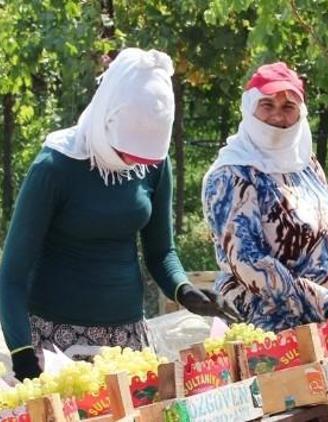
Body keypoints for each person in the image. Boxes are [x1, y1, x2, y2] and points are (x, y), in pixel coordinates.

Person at [0, 48, 238, 381]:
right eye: (125, 152)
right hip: (55, 344)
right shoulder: (55, 166)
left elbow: (160, 252)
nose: (134, 162)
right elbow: (11, 274)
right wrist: (22, 353)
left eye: (143, 158)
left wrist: (184, 290)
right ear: (107, 119)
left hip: (127, 340)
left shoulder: (152, 165)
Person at [202, 62, 328, 333]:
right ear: (249, 108)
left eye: (288, 107)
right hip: (268, 329)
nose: (277, 117)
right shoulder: (232, 174)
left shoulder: (305, 164)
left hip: (327, 322)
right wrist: (327, 303)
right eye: (267, 105)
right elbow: (248, 261)